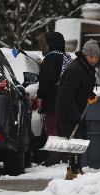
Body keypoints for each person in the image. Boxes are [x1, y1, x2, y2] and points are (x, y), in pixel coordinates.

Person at [56, 39, 100, 180]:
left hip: (78, 109)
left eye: (96, 57)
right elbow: (66, 94)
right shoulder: (76, 69)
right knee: (75, 140)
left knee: (80, 139)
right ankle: (73, 171)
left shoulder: (85, 67)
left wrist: (90, 94)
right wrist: (75, 115)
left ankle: (76, 168)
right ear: (85, 55)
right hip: (68, 110)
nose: (94, 60)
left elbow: (82, 87)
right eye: (91, 56)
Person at [37, 32, 71, 166]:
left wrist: (40, 96)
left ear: (50, 43)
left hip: (53, 99)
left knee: (51, 126)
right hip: (65, 98)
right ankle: (64, 156)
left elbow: (47, 80)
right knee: (61, 127)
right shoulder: (66, 57)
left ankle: (54, 156)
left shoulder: (51, 58)